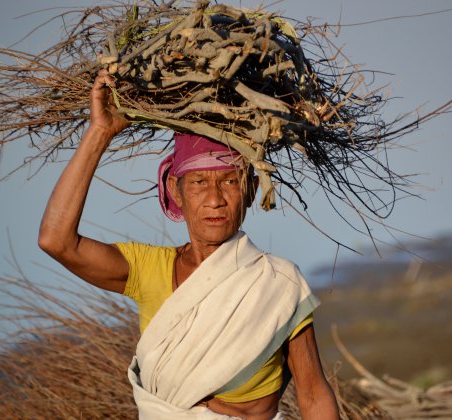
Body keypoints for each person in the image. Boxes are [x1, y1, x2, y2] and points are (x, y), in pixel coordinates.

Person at [38, 70, 340, 420]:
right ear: (175, 192)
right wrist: (100, 132)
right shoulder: (148, 269)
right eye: (198, 182)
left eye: (229, 180)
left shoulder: (279, 283)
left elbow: (314, 393)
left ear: (252, 190)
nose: (215, 199)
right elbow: (56, 241)